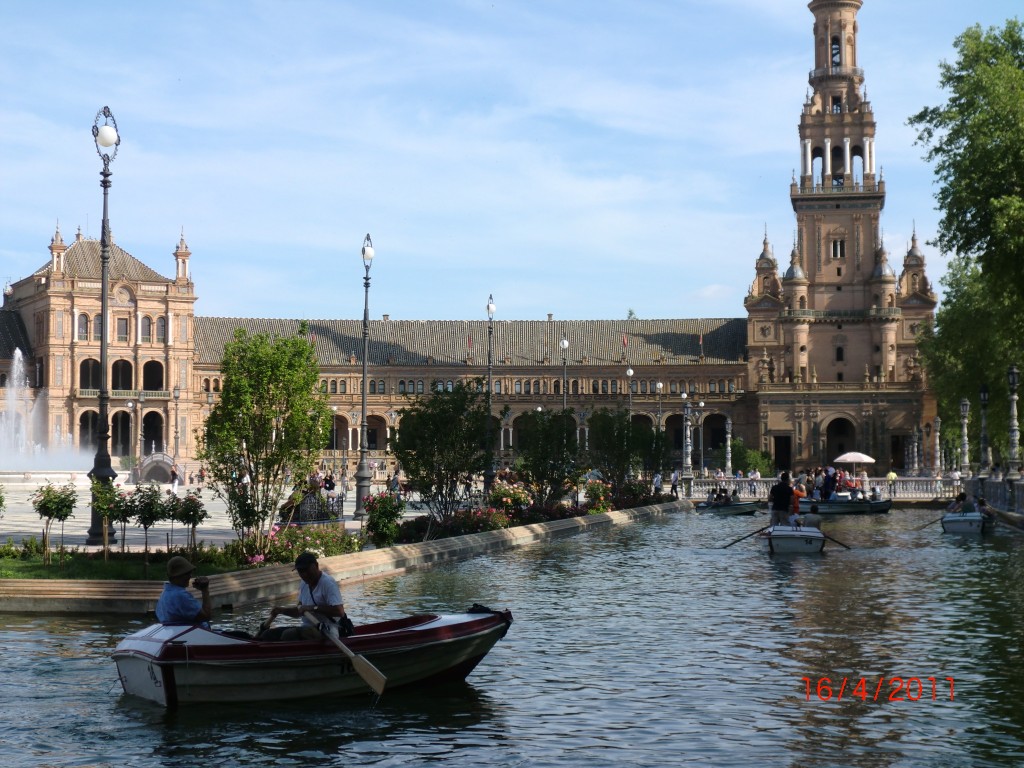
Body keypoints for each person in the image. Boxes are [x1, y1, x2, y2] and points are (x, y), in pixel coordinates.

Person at [259, 551, 353, 641]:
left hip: (328, 630)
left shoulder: (327, 583)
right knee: (267, 634)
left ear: (316, 566)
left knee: (289, 634)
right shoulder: (304, 583)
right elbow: (300, 610)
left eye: (306, 570)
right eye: (300, 571)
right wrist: (281, 610)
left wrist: (312, 608)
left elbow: (339, 611)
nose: (304, 574)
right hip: (307, 628)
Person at [155, 556, 211, 627]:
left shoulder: (165, 594)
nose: (190, 576)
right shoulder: (181, 595)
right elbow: (206, 616)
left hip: (175, 633)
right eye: (187, 573)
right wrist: (205, 590)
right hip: (195, 635)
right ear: (178, 576)